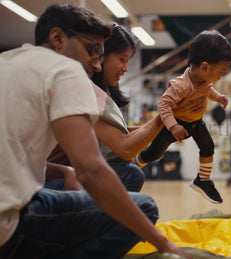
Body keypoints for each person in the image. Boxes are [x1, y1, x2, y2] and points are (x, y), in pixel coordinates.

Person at [0, 4, 191, 259]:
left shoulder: (7, 61)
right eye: (93, 51)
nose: (98, 65)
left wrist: (63, 170)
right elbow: (99, 164)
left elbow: (14, 154)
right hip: (10, 220)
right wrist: (164, 244)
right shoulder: (67, 71)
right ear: (57, 38)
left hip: (28, 191)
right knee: (144, 207)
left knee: (128, 174)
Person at [46, 23, 164, 192]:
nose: (125, 68)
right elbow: (123, 147)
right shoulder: (85, 90)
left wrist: (162, 126)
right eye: (122, 59)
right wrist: (162, 119)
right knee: (131, 176)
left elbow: (118, 134)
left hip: (69, 173)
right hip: (52, 179)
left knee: (130, 174)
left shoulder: (103, 90)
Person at [134, 30, 231, 204]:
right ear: (204, 67)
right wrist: (173, 126)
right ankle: (134, 164)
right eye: (221, 71)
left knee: (208, 146)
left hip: (196, 122)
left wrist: (218, 97)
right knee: (155, 153)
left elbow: (207, 90)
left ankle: (202, 181)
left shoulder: (205, 80)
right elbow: (164, 105)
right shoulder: (180, 85)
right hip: (176, 124)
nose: (221, 75)